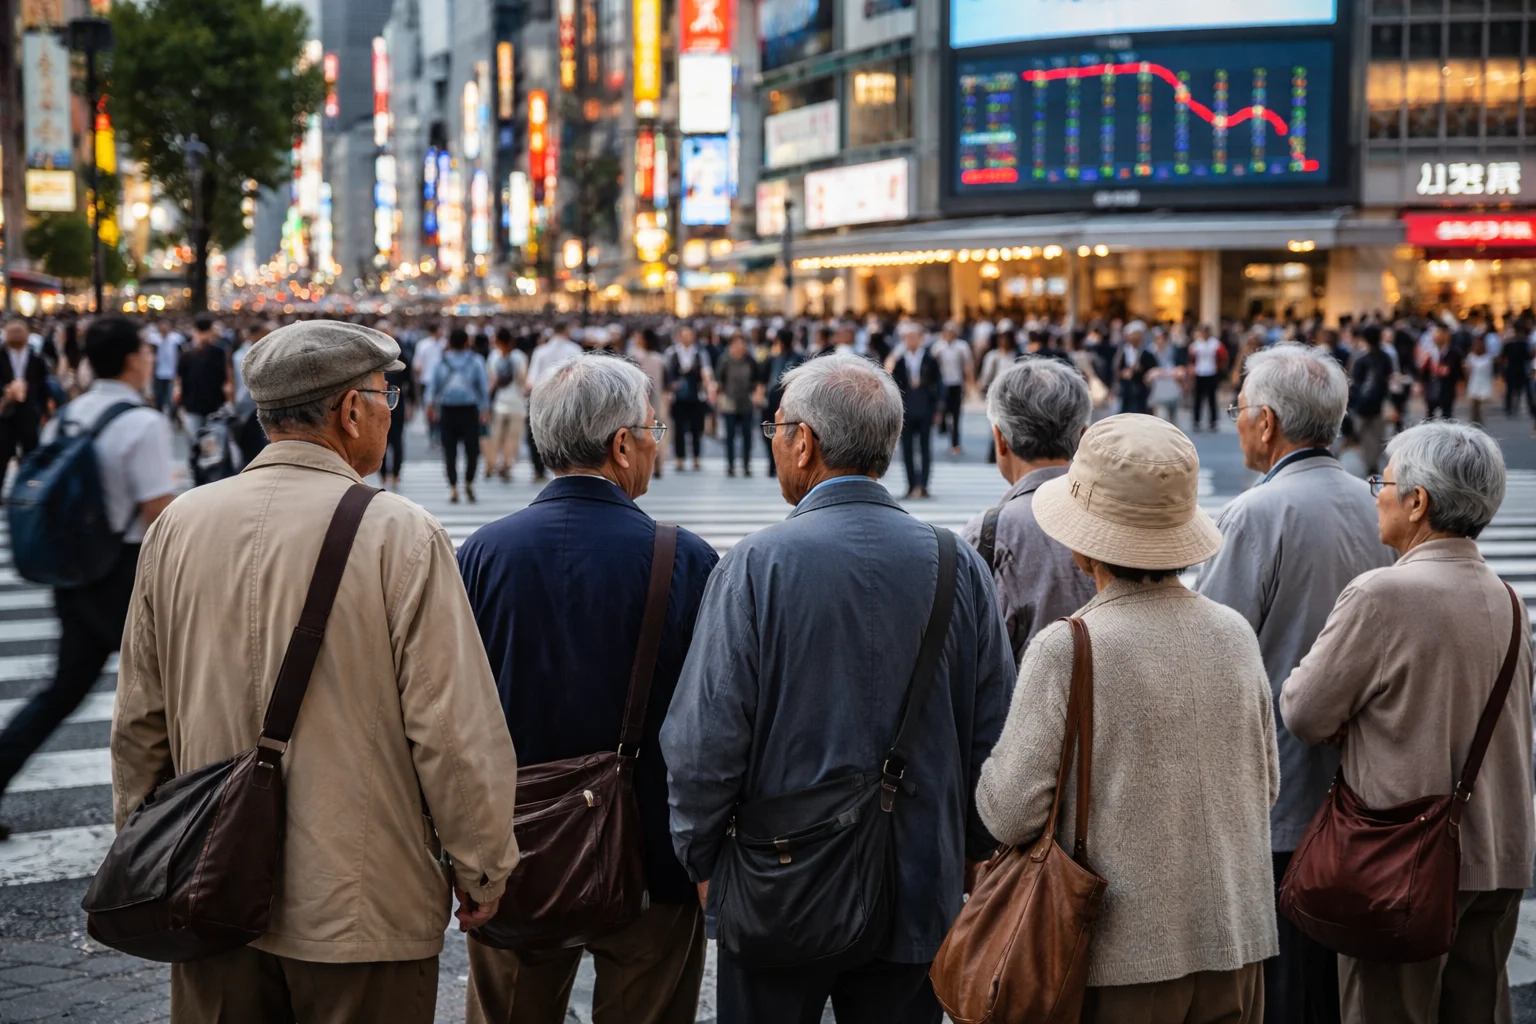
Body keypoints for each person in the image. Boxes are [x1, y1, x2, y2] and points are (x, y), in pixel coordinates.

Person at [111, 320, 519, 1022]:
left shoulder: (180, 524)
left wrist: (149, 849)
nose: (393, 407)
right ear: (349, 409)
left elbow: (141, 718)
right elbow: (450, 728)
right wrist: (483, 863)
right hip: (362, 900)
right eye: (386, 393)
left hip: (209, 889)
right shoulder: (399, 532)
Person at [661, 354, 1014, 1024]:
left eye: (777, 427)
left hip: (780, 879)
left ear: (805, 441)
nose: (773, 440)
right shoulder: (955, 562)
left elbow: (704, 738)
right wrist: (967, 853)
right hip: (917, 877)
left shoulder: (759, 562)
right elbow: (993, 728)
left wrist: (703, 859)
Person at [977, 415, 1278, 1023]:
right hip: (1235, 940)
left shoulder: (1071, 646)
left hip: (1120, 956)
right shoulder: (1234, 634)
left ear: (1085, 543)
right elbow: (1265, 784)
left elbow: (1009, 810)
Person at [457, 355, 717, 1024]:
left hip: (518, 845)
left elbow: (450, 709)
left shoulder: (483, 552)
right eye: (653, 429)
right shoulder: (682, 556)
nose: (657, 443)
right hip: (651, 849)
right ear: (621, 444)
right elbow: (715, 717)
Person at [1281, 422, 1534, 1024]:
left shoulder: (1382, 594)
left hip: (1402, 859)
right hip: (1497, 851)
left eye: (1383, 482)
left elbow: (1304, 710)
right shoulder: (1507, 597)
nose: (1377, 495)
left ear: (1417, 501)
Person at [1196, 344, 1394, 1024]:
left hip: (1278, 785)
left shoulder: (1258, 512)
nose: (1237, 420)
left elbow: (1213, 651)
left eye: (1240, 408)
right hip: (1363, 781)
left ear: (1268, 422)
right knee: (1335, 978)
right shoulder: (1378, 506)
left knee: (1283, 981)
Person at [0, 319, 175, 839]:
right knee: (180, 688)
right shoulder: (142, 422)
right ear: (130, 359)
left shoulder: (71, 414)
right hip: (125, 572)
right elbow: (158, 515)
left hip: (77, 567)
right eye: (145, 350)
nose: (150, 359)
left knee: (64, 689)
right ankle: (189, 814)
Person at [961, 358, 1098, 663]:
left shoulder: (990, 533)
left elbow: (969, 658)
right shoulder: (1119, 513)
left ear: (1000, 440)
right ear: (1083, 435)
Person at [428, 327, 490, 504]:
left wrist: (430, 405)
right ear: (466, 342)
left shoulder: (442, 361)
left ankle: (453, 487)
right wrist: (485, 408)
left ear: (449, 342)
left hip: (447, 410)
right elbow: (482, 387)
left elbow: (434, 386)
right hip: (469, 410)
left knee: (449, 450)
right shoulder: (475, 361)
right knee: (472, 450)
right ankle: (469, 481)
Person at [887, 322, 942, 499]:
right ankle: (911, 485)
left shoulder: (930, 359)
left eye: (914, 337)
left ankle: (924, 486)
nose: (911, 341)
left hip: (925, 408)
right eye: (907, 338)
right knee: (908, 449)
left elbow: (939, 384)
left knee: (925, 448)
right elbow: (894, 384)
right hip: (906, 409)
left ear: (921, 339)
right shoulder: (901, 361)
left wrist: (938, 408)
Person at [526, 325, 583, 480]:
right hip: (568, 400)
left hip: (543, 400)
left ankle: (539, 469)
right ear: (567, 331)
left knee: (539, 434)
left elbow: (531, 381)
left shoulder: (541, 351)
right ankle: (566, 467)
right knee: (567, 435)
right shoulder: (574, 350)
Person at [0, 319, 50, 469]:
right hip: (5, 413)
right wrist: (6, 390)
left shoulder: (36, 358)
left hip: (29, 411)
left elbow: (43, 384)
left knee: (30, 453)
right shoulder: (1, 356)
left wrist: (43, 408)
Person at [1347, 325, 1394, 478]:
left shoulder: (1360, 360)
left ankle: (1369, 465)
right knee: (1377, 435)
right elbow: (1390, 380)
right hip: (1378, 405)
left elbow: (1354, 384)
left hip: (1361, 405)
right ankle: (1373, 464)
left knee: (1365, 436)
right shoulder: (1385, 358)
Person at [665, 327, 713, 473]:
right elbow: (666, 372)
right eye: (684, 335)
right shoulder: (671, 353)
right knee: (679, 428)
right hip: (678, 397)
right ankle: (679, 457)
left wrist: (707, 386)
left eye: (689, 335)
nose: (687, 338)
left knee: (696, 428)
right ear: (679, 336)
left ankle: (696, 457)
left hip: (695, 395)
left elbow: (706, 372)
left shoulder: (700, 353)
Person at [175, 315, 230, 438]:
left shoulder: (186, 354)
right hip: (213, 404)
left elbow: (179, 380)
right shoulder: (219, 352)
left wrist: (180, 404)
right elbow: (225, 379)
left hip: (194, 404)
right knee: (212, 447)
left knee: (196, 444)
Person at [485, 327, 528, 483]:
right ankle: (507, 464)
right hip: (517, 402)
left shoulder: (493, 357)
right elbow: (523, 379)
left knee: (496, 436)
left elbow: (491, 380)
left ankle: (492, 463)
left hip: (499, 402)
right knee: (512, 437)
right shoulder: (520, 357)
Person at [760, 329, 804, 479]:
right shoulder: (773, 359)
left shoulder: (795, 358)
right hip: (777, 401)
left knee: (781, 433)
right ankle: (775, 463)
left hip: (786, 401)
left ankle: (779, 463)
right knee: (776, 432)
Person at [716, 333, 760, 477]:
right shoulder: (725, 360)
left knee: (747, 436)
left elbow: (756, 379)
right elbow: (719, 381)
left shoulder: (750, 360)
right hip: (729, 402)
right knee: (730, 436)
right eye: (736, 344)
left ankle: (746, 464)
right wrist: (719, 400)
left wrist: (756, 394)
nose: (740, 347)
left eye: (742, 344)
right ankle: (730, 465)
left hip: (746, 402)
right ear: (731, 346)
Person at [931, 323, 973, 455]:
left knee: (956, 415)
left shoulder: (962, 346)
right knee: (942, 411)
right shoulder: (938, 347)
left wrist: (969, 384)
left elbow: (967, 366)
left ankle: (955, 443)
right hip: (942, 385)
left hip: (956, 383)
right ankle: (943, 427)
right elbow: (932, 366)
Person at [1111, 320, 1157, 415]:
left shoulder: (1147, 353)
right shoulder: (1122, 351)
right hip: (1125, 390)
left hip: (1141, 391)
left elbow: (1152, 368)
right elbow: (1116, 369)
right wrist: (1123, 373)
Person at [1419, 323, 1462, 421]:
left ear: (1446, 335)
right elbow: (1423, 373)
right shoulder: (1429, 353)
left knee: (1446, 417)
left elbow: (1459, 373)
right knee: (1429, 416)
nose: (1436, 336)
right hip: (1431, 389)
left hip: (1447, 390)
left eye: (1438, 333)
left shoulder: (1454, 353)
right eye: (1434, 334)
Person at [1189, 325, 1225, 431]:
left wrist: (1220, 369)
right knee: (1198, 399)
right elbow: (1191, 357)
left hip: (1211, 372)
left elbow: (1222, 356)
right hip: (1199, 372)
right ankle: (1196, 420)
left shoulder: (1215, 343)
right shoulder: (1196, 344)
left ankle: (1213, 421)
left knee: (1211, 398)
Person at [149, 317, 183, 413]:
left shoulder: (176, 339)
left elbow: (181, 353)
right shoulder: (153, 339)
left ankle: (173, 415)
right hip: (158, 372)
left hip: (172, 372)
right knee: (158, 396)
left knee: (171, 398)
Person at [1465, 333, 1495, 426]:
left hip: (1484, 382)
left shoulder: (1488, 357)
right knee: (1473, 405)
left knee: (1482, 407)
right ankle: (1473, 422)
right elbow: (1467, 371)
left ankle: (1480, 423)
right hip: (1474, 381)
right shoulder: (1471, 356)